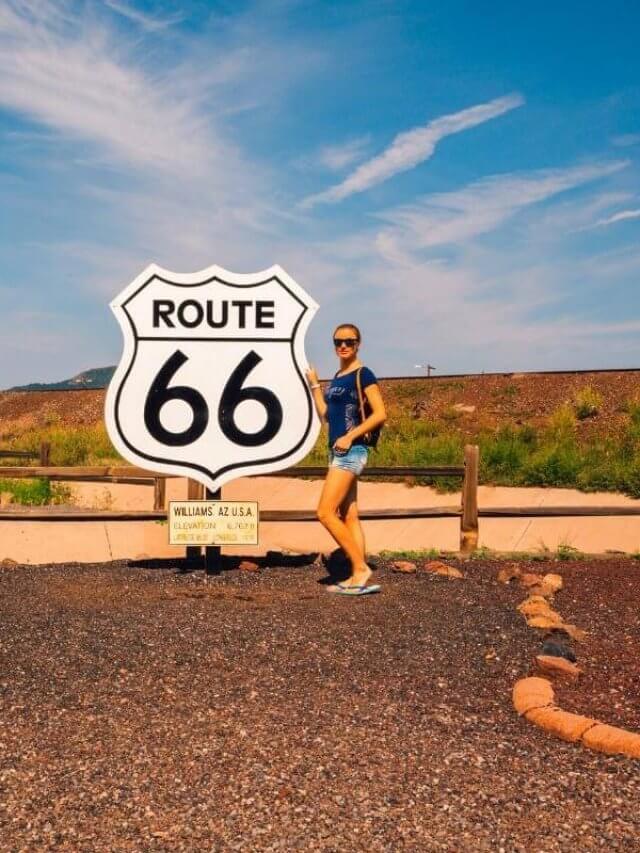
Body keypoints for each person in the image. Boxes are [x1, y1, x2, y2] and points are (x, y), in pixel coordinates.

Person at [306, 323, 387, 596]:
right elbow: (327, 414)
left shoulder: (364, 374)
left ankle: (361, 568)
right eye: (338, 341)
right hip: (336, 451)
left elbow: (379, 414)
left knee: (325, 512)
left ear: (358, 344)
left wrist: (350, 436)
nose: (343, 346)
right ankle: (356, 576)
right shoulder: (339, 376)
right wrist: (316, 384)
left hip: (350, 451)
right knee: (349, 515)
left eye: (349, 342)